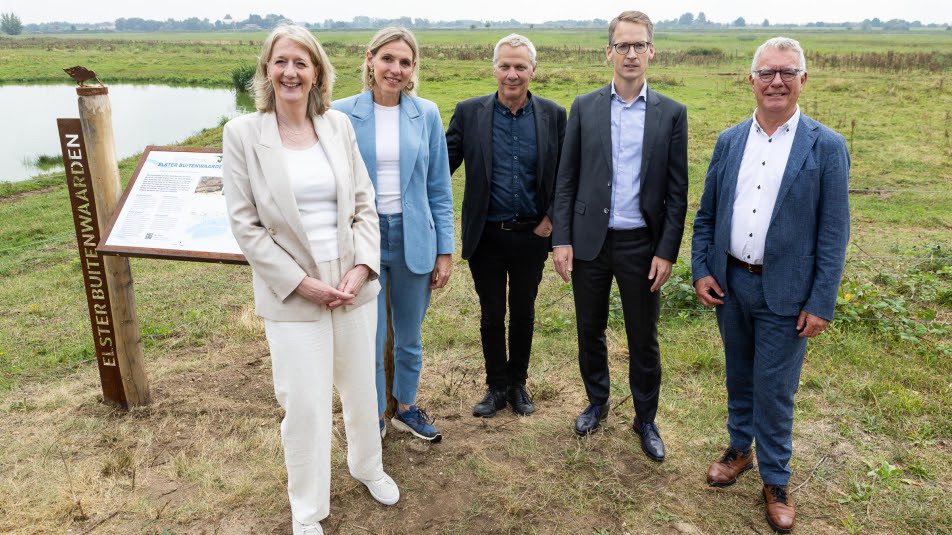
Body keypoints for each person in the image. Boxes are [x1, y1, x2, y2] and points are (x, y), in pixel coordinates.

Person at [222, 24, 399, 535]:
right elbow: (246, 226)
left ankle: (369, 467)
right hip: (294, 298)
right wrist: (302, 283)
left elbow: (365, 204)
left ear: (317, 71)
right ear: (267, 71)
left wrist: (362, 267)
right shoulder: (243, 135)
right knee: (304, 405)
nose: (291, 72)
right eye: (281, 62)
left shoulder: (337, 126)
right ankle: (307, 508)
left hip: (351, 288)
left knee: (363, 391)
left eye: (302, 62)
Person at [691, 37, 850, 533]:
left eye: (787, 72)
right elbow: (707, 216)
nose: (776, 81)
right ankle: (740, 447)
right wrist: (702, 269)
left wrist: (821, 300)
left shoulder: (825, 147)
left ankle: (776, 478)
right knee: (739, 374)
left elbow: (833, 233)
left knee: (776, 389)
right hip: (731, 283)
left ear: (804, 79)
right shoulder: (730, 140)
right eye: (767, 72)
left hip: (787, 293)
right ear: (751, 79)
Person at [551, 11, 688, 461]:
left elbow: (676, 189)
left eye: (639, 45)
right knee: (589, 329)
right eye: (623, 45)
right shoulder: (585, 106)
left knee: (643, 335)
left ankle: (645, 418)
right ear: (608, 51)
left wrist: (666, 250)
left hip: (641, 246)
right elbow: (566, 180)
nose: (631, 54)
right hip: (591, 241)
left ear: (652, 51)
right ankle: (597, 401)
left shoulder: (671, 113)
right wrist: (562, 239)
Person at [333, 27, 454, 443]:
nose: (395, 69)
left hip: (413, 235)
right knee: (370, 334)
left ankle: (405, 405)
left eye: (405, 62)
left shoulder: (428, 114)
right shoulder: (341, 113)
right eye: (388, 59)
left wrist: (445, 251)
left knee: (409, 334)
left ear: (413, 68)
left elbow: (439, 187)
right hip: (363, 236)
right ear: (370, 59)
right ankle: (373, 415)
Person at [445, 34, 566, 418]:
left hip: (532, 235)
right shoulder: (469, 113)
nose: (512, 74)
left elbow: (566, 175)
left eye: (520, 67)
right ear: (494, 68)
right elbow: (440, 165)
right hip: (487, 236)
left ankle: (518, 385)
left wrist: (551, 219)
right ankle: (495, 386)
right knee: (491, 313)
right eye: (505, 66)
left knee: (524, 311)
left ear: (533, 70)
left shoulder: (553, 115)